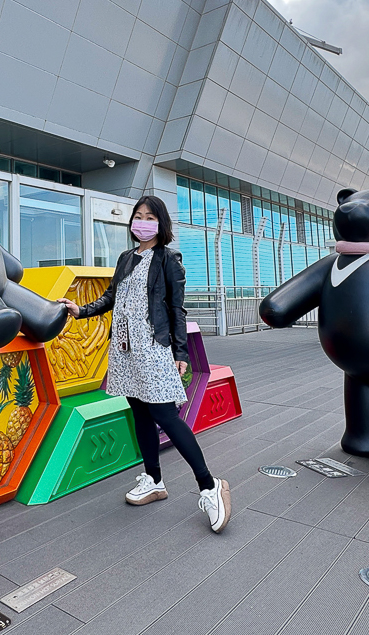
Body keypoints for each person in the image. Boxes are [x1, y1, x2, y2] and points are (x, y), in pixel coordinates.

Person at [58, 195, 232, 533]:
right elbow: (111, 297)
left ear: (160, 223)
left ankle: (210, 485)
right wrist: (81, 310)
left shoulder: (169, 259)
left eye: (150, 217)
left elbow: (177, 309)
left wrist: (180, 353)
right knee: (139, 413)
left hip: (152, 348)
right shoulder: (126, 258)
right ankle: (153, 480)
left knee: (165, 415)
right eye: (138, 216)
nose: (142, 222)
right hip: (124, 350)